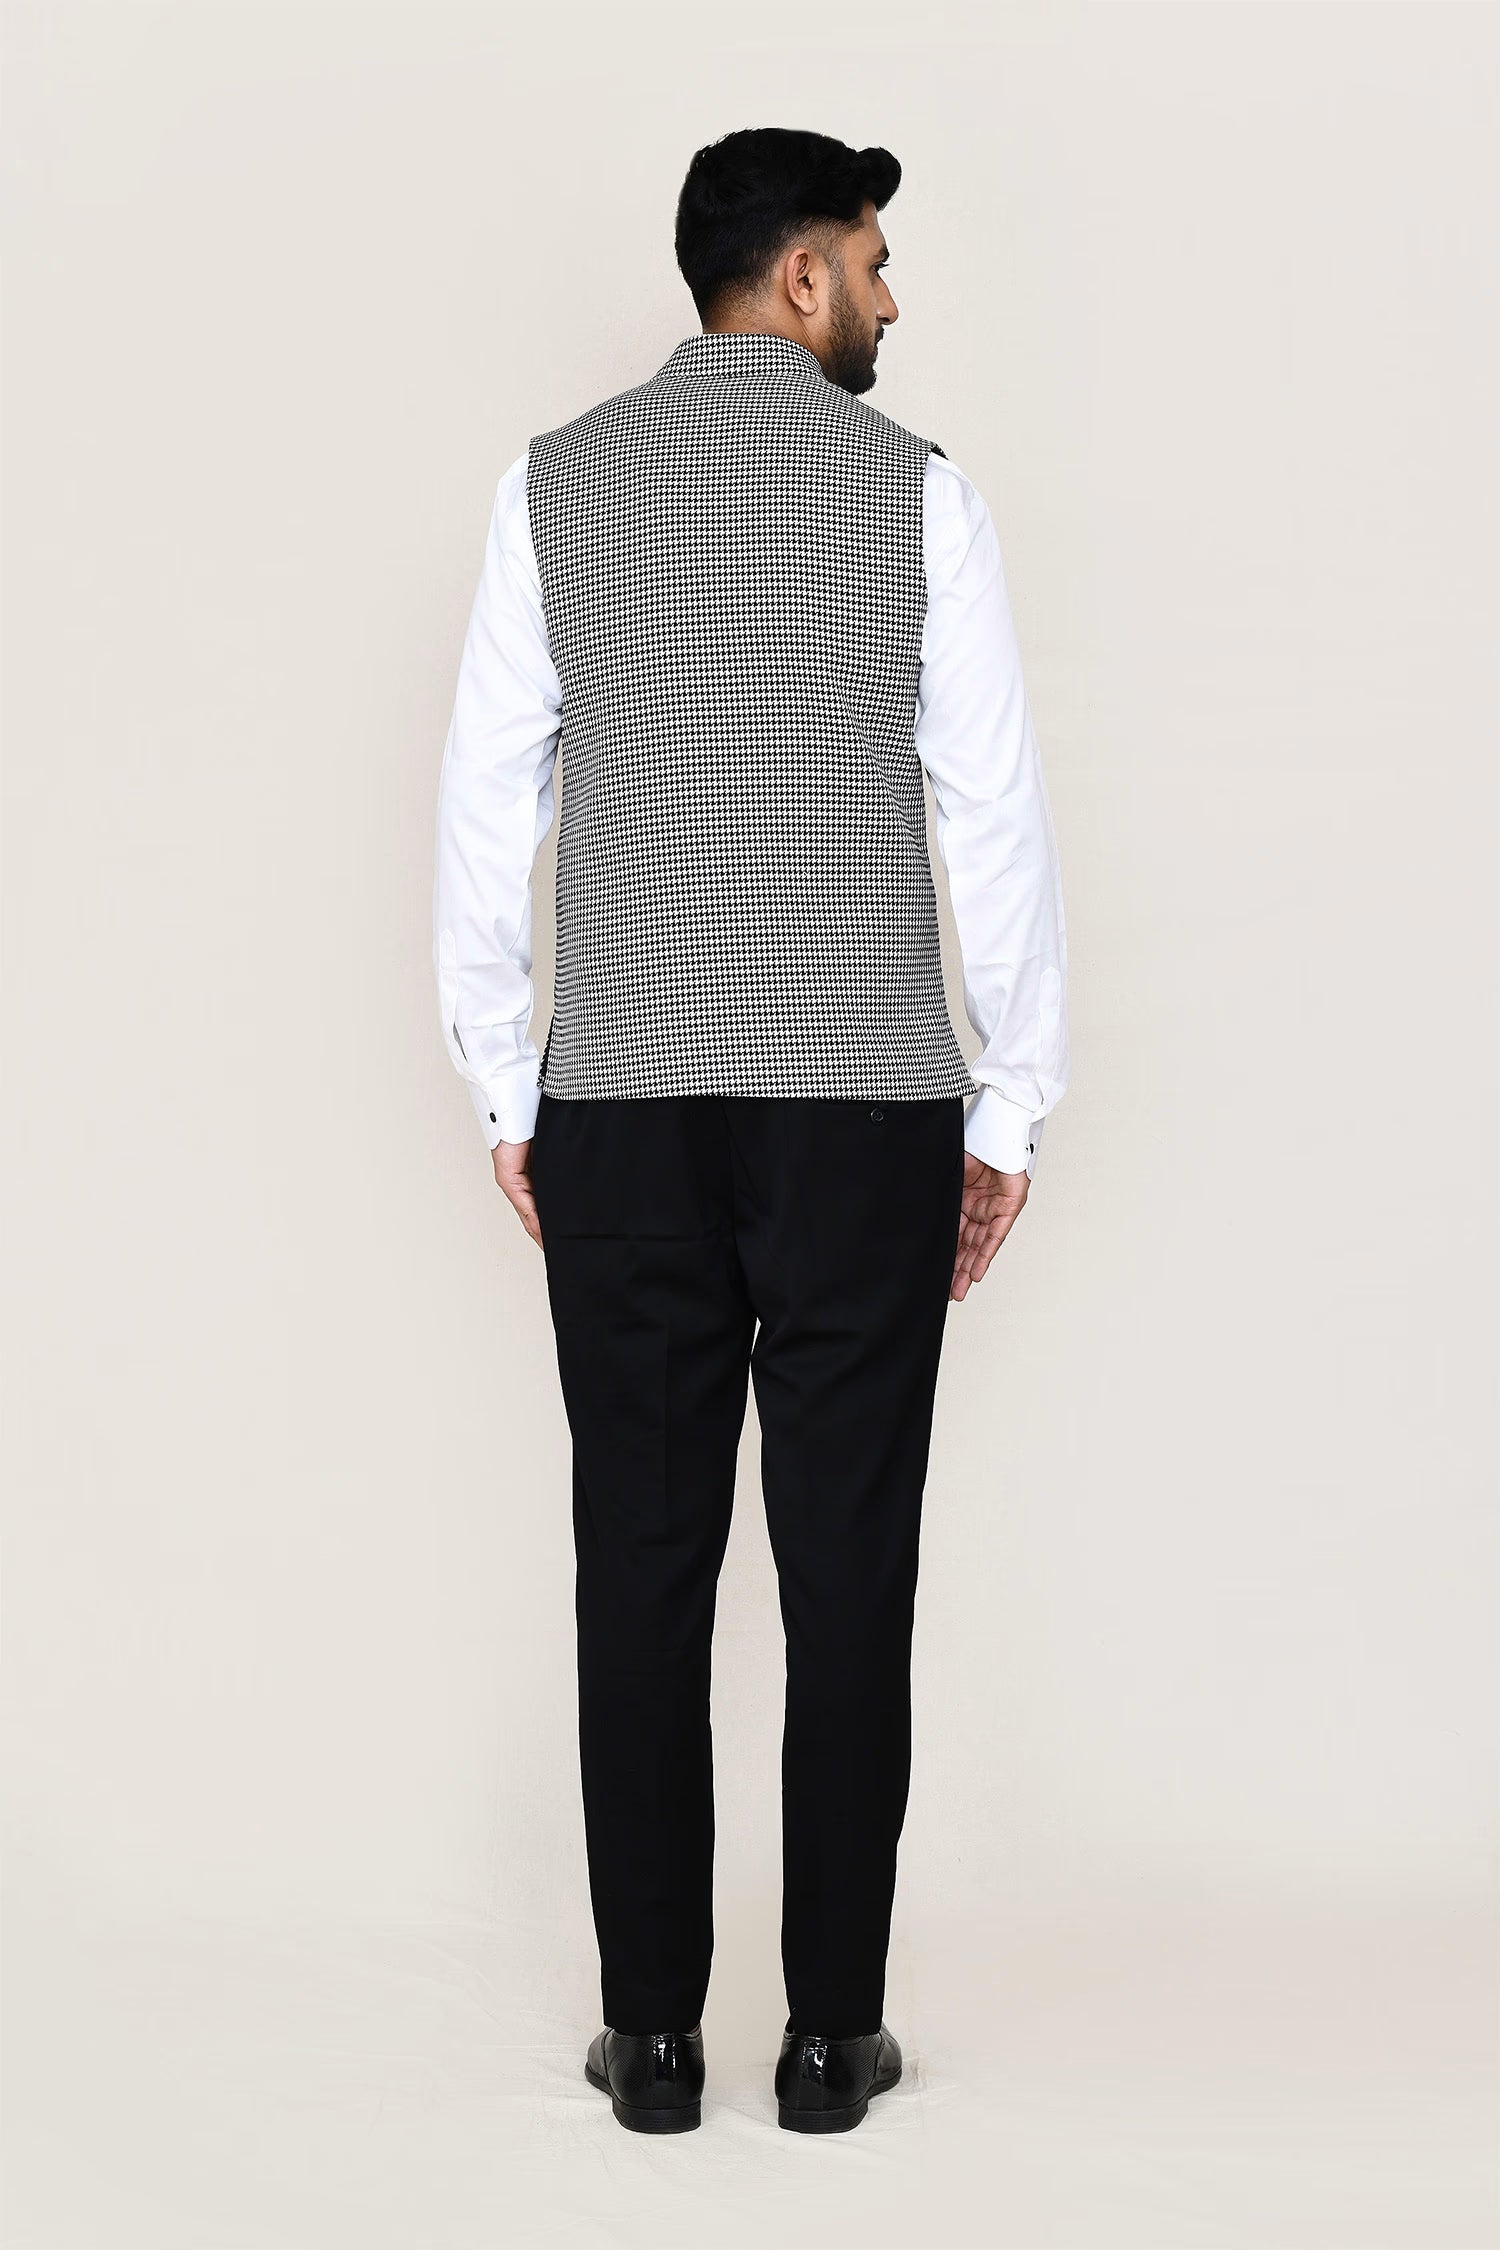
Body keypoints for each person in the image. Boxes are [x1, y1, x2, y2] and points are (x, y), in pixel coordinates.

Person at [431, 125, 1069, 2136]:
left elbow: (488, 807)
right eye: (870, 261)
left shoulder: (552, 485)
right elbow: (992, 814)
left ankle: (647, 2042)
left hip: (623, 1102)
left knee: (639, 1567)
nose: (889, 296)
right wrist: (1012, 1102)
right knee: (849, 1570)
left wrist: (506, 1081)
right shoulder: (921, 495)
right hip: (866, 1112)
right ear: (798, 276)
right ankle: (826, 2040)